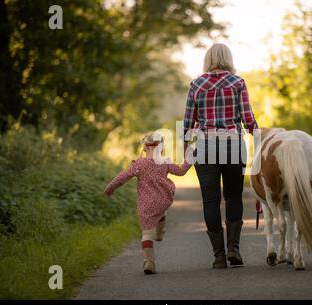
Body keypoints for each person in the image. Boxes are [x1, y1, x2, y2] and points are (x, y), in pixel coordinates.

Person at [183, 43, 258, 269]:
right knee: (234, 197)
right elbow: (248, 117)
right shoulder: (238, 82)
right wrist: (261, 139)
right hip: (233, 145)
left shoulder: (196, 84)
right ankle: (234, 248)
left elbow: (188, 121)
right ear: (228, 58)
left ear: (208, 60)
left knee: (210, 201)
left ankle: (219, 256)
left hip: (205, 147)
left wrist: (186, 147)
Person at [104, 133, 191, 274]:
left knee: (146, 233)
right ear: (161, 148)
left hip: (146, 205)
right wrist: (189, 160)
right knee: (161, 211)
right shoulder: (165, 163)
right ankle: (160, 232)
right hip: (163, 200)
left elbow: (122, 177)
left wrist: (110, 189)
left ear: (144, 147)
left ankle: (148, 262)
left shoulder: (138, 164)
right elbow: (181, 171)